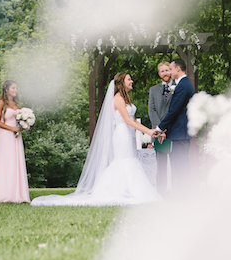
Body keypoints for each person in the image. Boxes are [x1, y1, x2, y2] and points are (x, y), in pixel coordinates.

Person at [32, 72, 161, 206]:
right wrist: (149, 132)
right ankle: (120, 191)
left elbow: (134, 120)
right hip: (122, 134)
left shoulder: (126, 98)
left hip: (129, 134)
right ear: (121, 82)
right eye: (129, 79)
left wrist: (150, 131)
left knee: (130, 159)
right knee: (125, 160)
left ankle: (129, 190)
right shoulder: (118, 99)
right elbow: (128, 121)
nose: (132, 81)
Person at [155, 59, 195, 193]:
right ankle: (183, 194)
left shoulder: (183, 85)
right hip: (179, 133)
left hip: (180, 133)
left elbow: (174, 110)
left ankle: (184, 195)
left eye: (171, 69)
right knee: (180, 165)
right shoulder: (184, 84)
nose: (170, 72)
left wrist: (160, 128)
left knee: (180, 165)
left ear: (177, 69)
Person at [0, 80, 30, 203]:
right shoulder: (0, 103)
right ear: (6, 89)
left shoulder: (17, 105)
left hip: (16, 136)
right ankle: (3, 194)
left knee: (16, 162)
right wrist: (12, 128)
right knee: (6, 162)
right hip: (6, 135)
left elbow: (20, 120)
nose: (15, 90)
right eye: (13, 88)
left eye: (16, 88)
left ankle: (17, 194)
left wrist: (24, 125)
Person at [148, 62, 174, 195]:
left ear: (171, 71)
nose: (165, 73)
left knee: (176, 164)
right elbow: (152, 111)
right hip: (159, 135)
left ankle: (178, 192)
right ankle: (161, 193)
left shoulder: (178, 87)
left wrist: (166, 128)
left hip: (174, 132)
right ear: (159, 74)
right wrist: (159, 130)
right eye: (162, 71)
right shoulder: (153, 90)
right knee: (162, 165)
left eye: (167, 70)